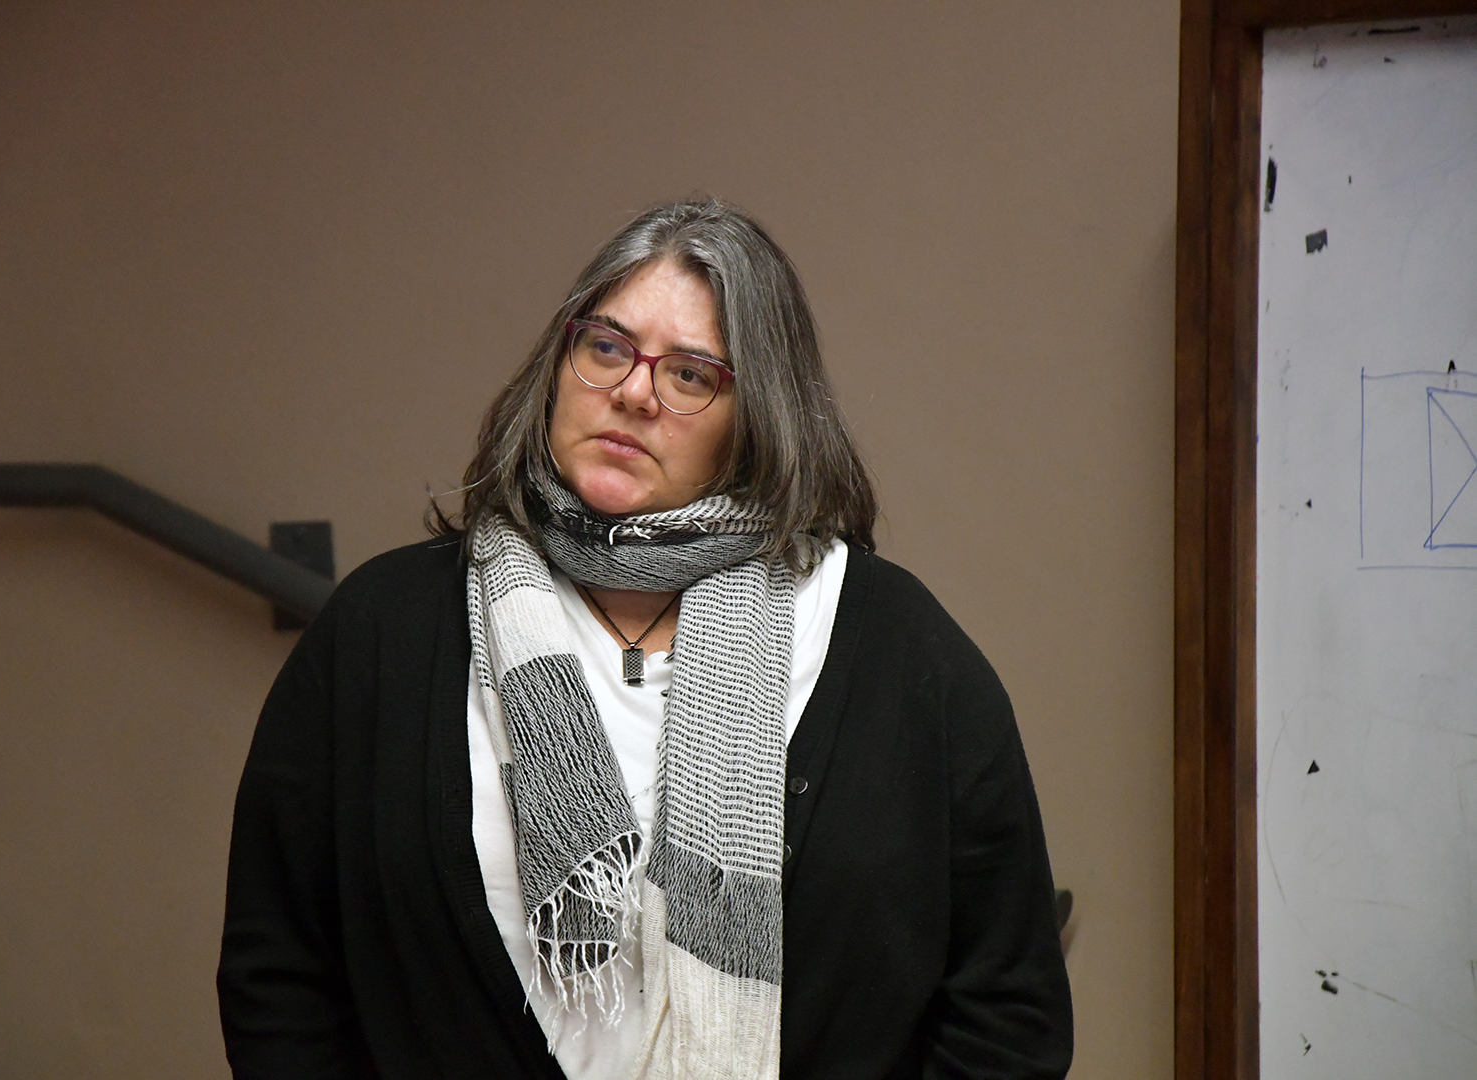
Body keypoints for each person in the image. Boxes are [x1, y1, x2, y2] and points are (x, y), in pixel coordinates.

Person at [217, 198, 1073, 1079]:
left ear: (759, 416)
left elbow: (1008, 1010)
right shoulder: (383, 630)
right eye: (607, 348)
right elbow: (279, 975)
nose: (632, 392)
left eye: (691, 374)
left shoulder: (898, 650)